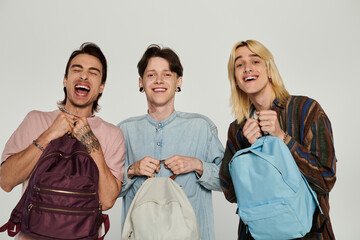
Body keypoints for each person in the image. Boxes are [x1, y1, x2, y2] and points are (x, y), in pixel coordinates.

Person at [0, 42, 125, 240]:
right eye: (77, 70)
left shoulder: (112, 134)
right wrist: (49, 134)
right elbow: (5, 181)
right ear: (65, 80)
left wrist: (92, 144)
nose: (84, 76)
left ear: (101, 87)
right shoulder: (35, 120)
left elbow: (108, 200)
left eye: (93, 72)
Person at [219, 39, 336, 239]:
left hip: (309, 234)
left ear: (269, 70)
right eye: (239, 65)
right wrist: (246, 150)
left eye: (255, 61)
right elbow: (230, 193)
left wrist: (283, 138)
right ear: (236, 79)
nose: (247, 68)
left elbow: (326, 180)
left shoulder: (306, 110)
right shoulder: (237, 129)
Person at [118, 44, 224, 240]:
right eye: (151, 75)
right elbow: (107, 191)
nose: (159, 80)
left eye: (167, 74)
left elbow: (228, 181)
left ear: (179, 81)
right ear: (141, 82)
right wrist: (132, 170)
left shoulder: (201, 127)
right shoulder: (124, 131)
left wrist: (198, 165)